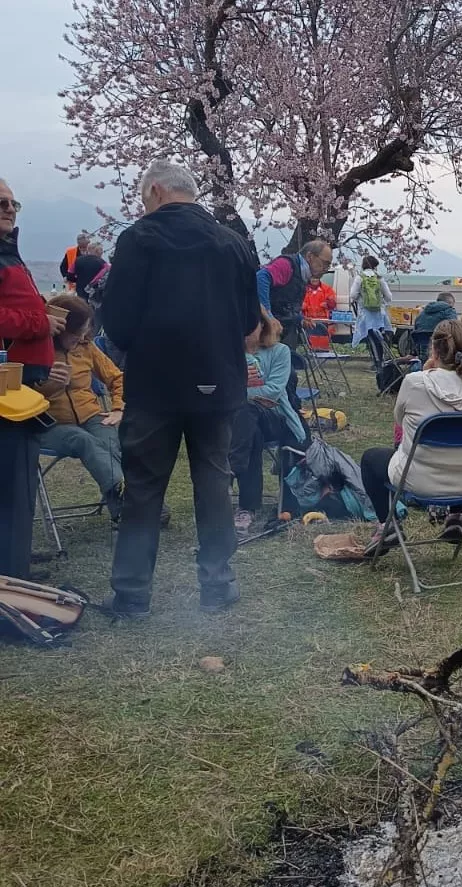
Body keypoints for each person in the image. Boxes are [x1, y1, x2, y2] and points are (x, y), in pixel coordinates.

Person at [103, 159, 261, 617]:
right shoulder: (232, 243)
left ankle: (132, 596)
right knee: (213, 481)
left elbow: (117, 322)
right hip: (218, 383)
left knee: (144, 488)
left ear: (154, 190)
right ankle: (217, 585)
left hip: (154, 385)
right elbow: (251, 321)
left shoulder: (137, 239)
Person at [359, 320, 462, 548]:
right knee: (457, 448)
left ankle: (388, 525)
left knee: (370, 458)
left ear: (434, 349)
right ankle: (457, 515)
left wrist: (425, 374)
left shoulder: (414, 383)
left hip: (418, 480)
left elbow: (399, 420)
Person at [0, 178, 63, 580]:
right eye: (1, 203)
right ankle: (11, 576)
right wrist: (40, 322)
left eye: (12, 202)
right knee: (10, 489)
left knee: (18, 485)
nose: (9, 208)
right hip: (7, 393)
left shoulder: (9, 253)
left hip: (24, 391)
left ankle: (14, 564)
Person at [34, 295, 126, 520]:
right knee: (82, 440)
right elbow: (23, 395)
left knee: (110, 441)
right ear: (59, 328)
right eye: (76, 335)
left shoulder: (86, 347)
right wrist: (52, 385)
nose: (82, 338)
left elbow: (117, 378)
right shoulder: (36, 350)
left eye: (85, 332)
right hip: (49, 424)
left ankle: (123, 507)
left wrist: (117, 408)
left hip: (90, 414)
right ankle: (131, 500)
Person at [230, 310, 307, 538]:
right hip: (242, 423)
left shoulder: (280, 351)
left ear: (263, 326)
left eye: (249, 326)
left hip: (277, 417)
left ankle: (231, 476)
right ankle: (247, 507)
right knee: (249, 428)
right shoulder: (230, 354)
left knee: (246, 413)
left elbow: (273, 392)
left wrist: (239, 392)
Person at [257, 239, 333, 349]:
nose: (326, 269)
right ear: (310, 256)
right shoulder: (287, 265)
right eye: (325, 263)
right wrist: (268, 316)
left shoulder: (303, 276)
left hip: (283, 333)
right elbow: (261, 278)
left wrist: (300, 319)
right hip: (265, 332)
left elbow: (286, 308)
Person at [350, 255, 393, 346]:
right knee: (379, 341)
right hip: (379, 315)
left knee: (370, 340)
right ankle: (380, 358)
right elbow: (389, 297)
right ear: (375, 266)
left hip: (365, 315)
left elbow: (353, 295)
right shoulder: (379, 278)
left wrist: (360, 299)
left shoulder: (360, 278)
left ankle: (376, 358)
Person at [303, 277, 338, 351]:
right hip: (309, 320)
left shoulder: (327, 289)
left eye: (316, 278)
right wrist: (303, 305)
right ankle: (314, 355)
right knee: (312, 345)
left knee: (323, 345)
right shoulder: (304, 290)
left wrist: (328, 304)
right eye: (312, 278)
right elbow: (298, 303)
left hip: (324, 321)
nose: (314, 280)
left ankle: (323, 354)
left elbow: (333, 303)